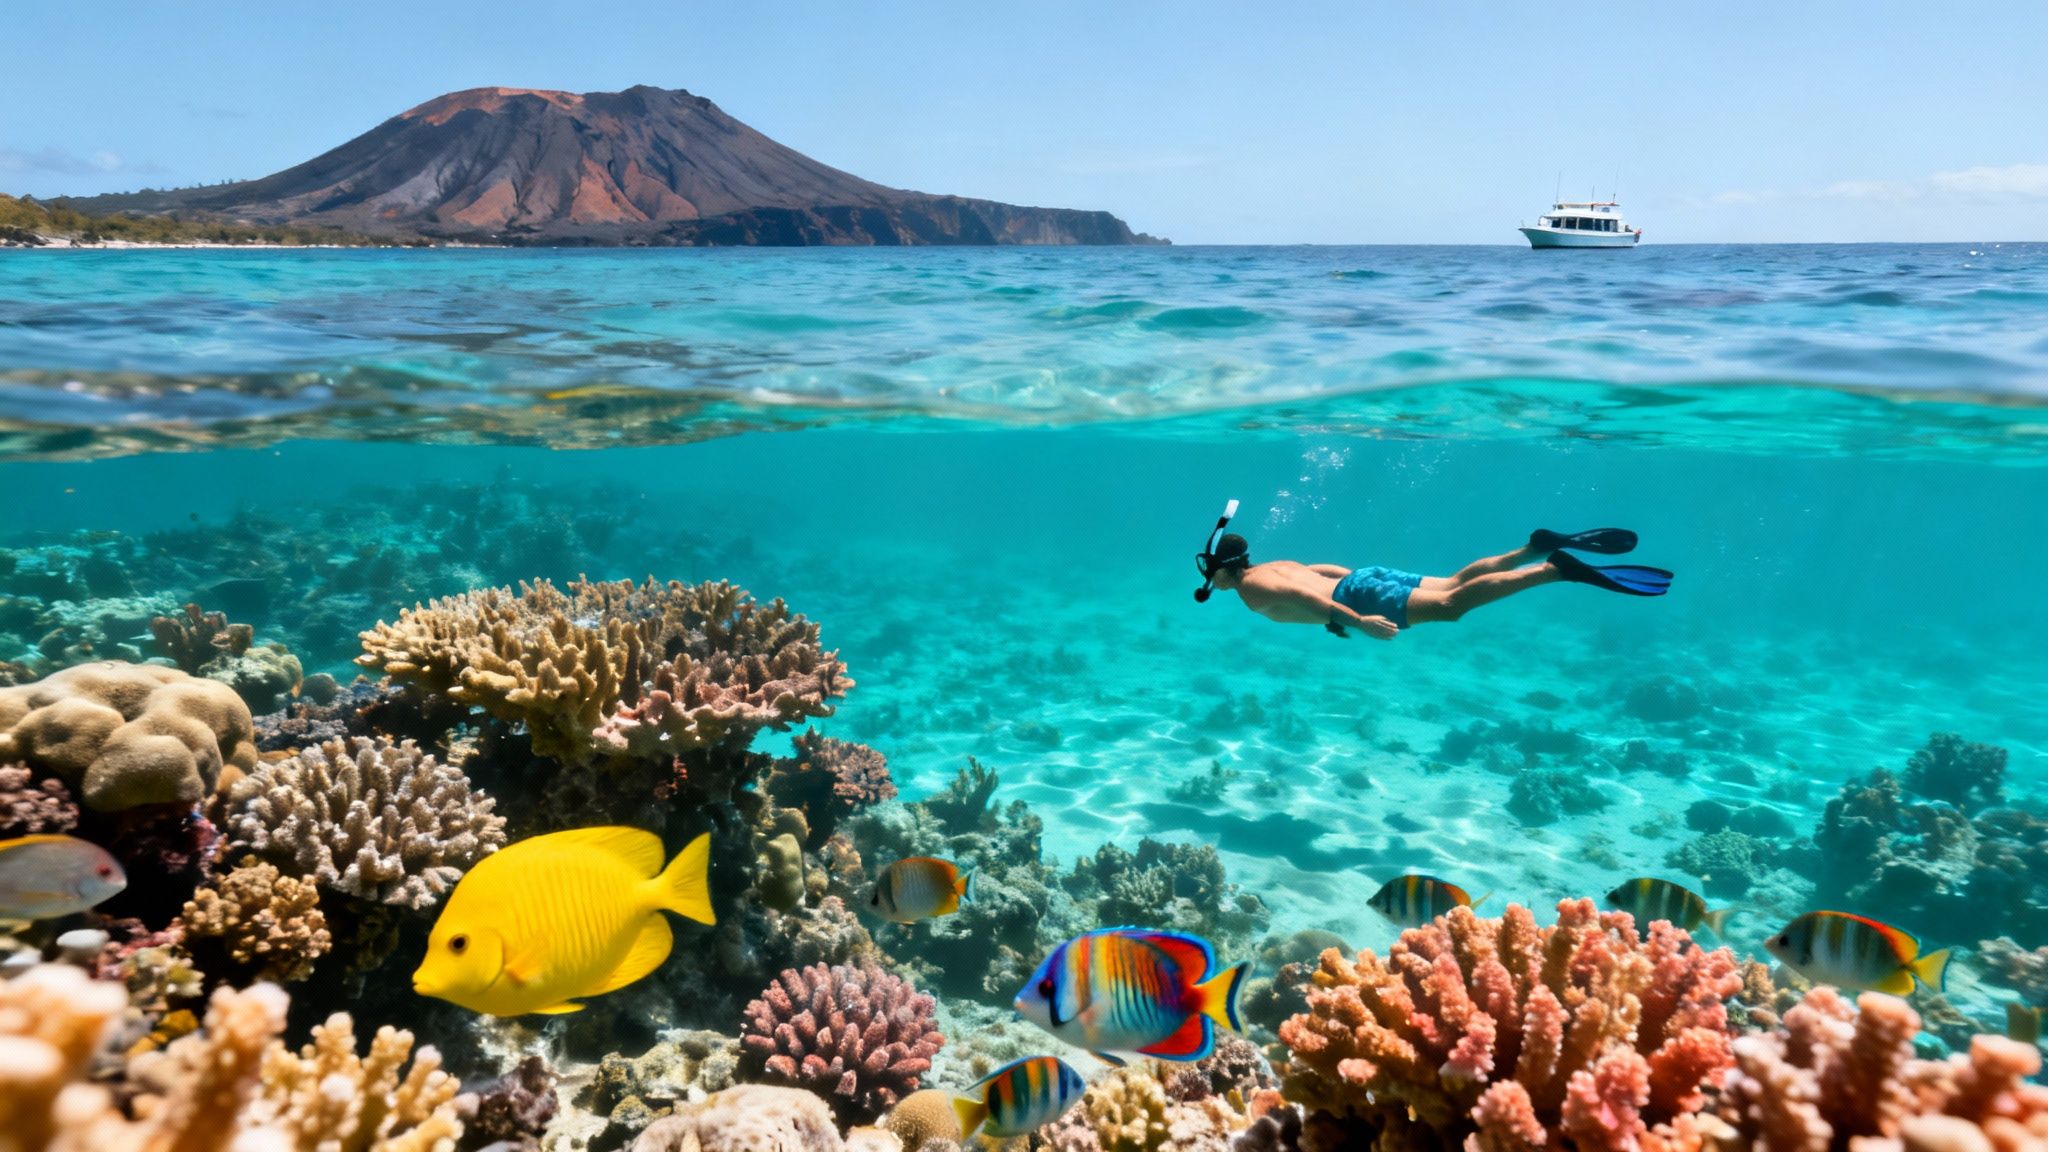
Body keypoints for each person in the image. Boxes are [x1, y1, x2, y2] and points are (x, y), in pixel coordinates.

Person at [1192, 507, 1670, 639]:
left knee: (1450, 607)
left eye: (1208, 570)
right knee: (1452, 581)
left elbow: (1315, 603)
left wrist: (1356, 619)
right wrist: (1349, 602)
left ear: (1222, 569)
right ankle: (1531, 548)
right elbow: (1324, 574)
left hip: (1358, 599)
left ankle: (1552, 569)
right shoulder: (1275, 565)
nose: (1207, 578)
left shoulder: (1251, 592)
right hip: (1360, 580)